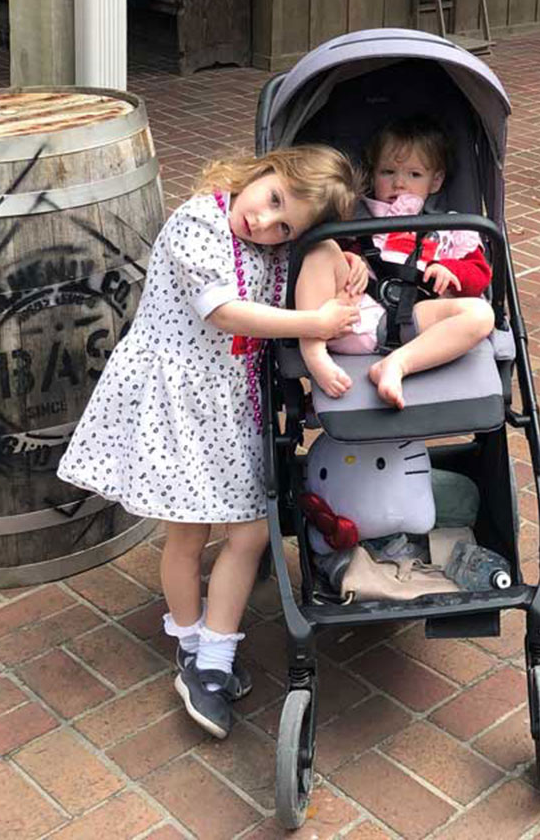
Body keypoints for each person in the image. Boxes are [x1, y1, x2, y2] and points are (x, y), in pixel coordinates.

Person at [57, 145, 363, 740]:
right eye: (272, 199)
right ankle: (194, 644)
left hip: (230, 405)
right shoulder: (198, 220)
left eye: (286, 226)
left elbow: (308, 270)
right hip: (175, 400)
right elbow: (223, 312)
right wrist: (314, 325)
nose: (266, 222)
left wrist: (345, 260)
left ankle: (214, 656)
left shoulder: (274, 250)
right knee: (189, 533)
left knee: (249, 532)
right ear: (264, 169)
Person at [296, 115, 495, 410]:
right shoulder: (354, 218)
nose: (399, 183)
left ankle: (397, 365)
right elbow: (324, 266)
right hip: (351, 320)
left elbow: (481, 274)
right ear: (372, 174)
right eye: (388, 172)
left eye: (414, 175)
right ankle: (313, 351)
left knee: (481, 314)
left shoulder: (450, 227)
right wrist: (348, 259)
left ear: (436, 180)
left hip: (419, 320)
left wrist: (452, 270)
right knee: (320, 249)